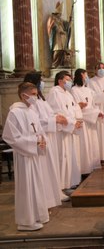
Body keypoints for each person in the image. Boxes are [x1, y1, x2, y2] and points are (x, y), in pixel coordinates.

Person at [3, 82, 49, 231]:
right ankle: (25, 221)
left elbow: (40, 131)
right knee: (26, 187)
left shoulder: (32, 111)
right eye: (34, 94)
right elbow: (10, 137)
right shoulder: (15, 112)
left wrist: (42, 141)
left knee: (36, 185)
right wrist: (33, 142)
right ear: (24, 95)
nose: (36, 97)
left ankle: (37, 215)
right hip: (24, 156)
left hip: (34, 154)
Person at [23, 72, 70, 205]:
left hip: (50, 135)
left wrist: (56, 117)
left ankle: (55, 193)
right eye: (41, 80)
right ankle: (48, 197)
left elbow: (48, 114)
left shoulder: (40, 100)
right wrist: (55, 119)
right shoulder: (32, 102)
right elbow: (37, 121)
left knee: (52, 165)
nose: (43, 83)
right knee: (46, 167)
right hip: (42, 137)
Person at [47, 71, 83, 191]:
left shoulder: (67, 93)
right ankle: (62, 186)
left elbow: (73, 109)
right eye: (68, 79)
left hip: (69, 129)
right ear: (60, 80)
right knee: (63, 157)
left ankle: (70, 182)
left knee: (70, 156)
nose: (70, 81)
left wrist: (77, 120)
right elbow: (56, 113)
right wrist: (72, 123)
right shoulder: (54, 92)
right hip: (61, 131)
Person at [71, 69, 104, 173]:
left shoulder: (88, 89)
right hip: (83, 120)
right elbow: (77, 108)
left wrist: (98, 111)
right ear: (81, 76)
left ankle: (92, 164)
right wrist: (93, 113)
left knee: (92, 143)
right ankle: (84, 168)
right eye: (86, 75)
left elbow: (95, 101)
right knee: (84, 144)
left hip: (91, 119)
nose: (87, 77)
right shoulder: (74, 90)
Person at [47, 1, 72, 68]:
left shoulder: (60, 20)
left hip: (62, 38)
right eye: (59, 14)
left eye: (60, 14)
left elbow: (66, 26)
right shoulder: (52, 18)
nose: (60, 15)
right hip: (56, 37)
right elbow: (51, 27)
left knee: (62, 51)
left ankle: (61, 64)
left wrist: (69, 21)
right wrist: (59, 30)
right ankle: (55, 64)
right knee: (57, 50)